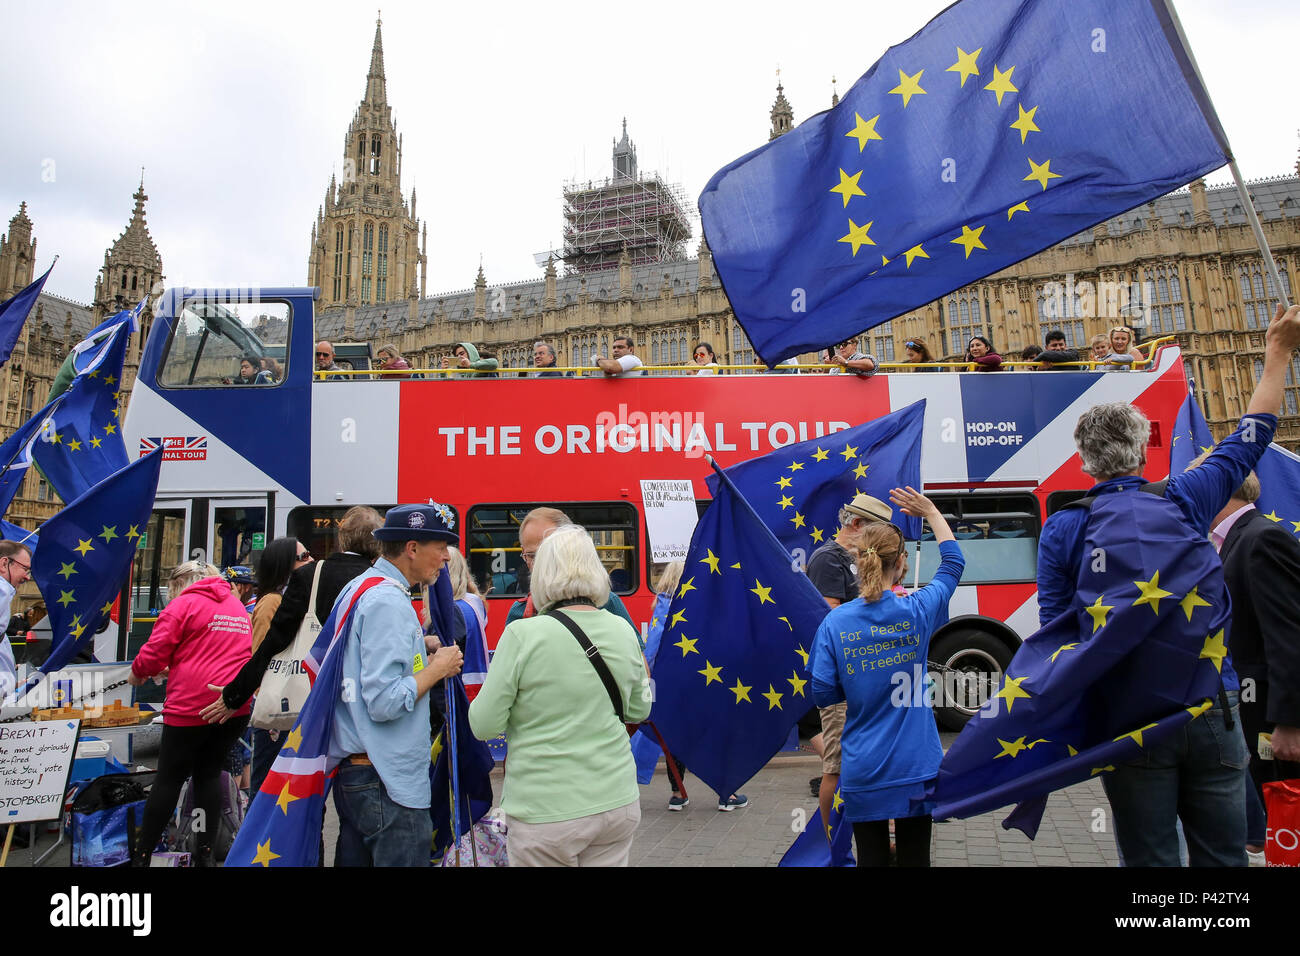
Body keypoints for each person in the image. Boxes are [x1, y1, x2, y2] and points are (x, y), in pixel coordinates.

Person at [1035, 302, 1300, 866]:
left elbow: (1057, 636)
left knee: (1151, 861)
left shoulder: (1063, 528)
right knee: (1225, 859)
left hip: (1129, 720)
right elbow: (1253, 432)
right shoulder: (1187, 497)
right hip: (1211, 708)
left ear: (1084, 462)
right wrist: (1278, 351)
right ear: (1142, 448)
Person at [468, 525, 650, 866]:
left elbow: (484, 724)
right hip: (615, 802)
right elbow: (640, 707)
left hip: (545, 810)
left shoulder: (522, 635)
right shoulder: (622, 629)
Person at [811, 487, 965, 867]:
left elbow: (823, 692)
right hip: (917, 765)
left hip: (863, 767)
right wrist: (930, 512)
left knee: (872, 858)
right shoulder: (918, 610)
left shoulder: (835, 623)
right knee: (916, 859)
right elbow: (953, 564)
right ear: (901, 564)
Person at [202, 507, 383, 781]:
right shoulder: (383, 582)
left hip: (312, 697)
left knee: (307, 789)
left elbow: (273, 643)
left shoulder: (310, 576)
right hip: (360, 706)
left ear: (342, 539)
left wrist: (235, 695)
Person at [328, 503, 464, 867]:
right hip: (387, 779)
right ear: (412, 548)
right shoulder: (388, 601)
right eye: (440, 547)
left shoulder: (363, 588)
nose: (446, 558)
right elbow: (385, 701)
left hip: (361, 771)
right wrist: (438, 668)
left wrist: (422, 643)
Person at [1196, 455, 1300, 847]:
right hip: (1253, 713)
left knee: (1287, 824)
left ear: (1218, 488)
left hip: (1275, 721)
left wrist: (1290, 722)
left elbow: (1289, 636)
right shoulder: (1230, 543)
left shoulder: (1261, 539)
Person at [128, 562, 253, 866]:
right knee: (208, 775)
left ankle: (142, 856)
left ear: (179, 582)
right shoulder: (235, 606)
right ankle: (207, 855)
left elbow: (155, 651)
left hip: (191, 705)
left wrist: (138, 673)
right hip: (232, 705)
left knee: (169, 779)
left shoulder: (183, 604)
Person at [805, 493, 895, 824]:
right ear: (856, 525)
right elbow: (830, 616)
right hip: (844, 679)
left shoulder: (854, 557)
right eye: (877, 531)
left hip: (863, 676)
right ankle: (830, 838)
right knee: (837, 766)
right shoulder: (829, 558)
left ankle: (871, 824)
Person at [504, 507, 637, 629]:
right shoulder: (519, 612)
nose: (541, 564)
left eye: (550, 553)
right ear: (523, 552)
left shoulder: (609, 603)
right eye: (533, 556)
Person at [0, 540, 32, 702]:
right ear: (4, 563)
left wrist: (10, 686)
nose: (27, 576)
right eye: (24, 569)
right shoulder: (2, 590)